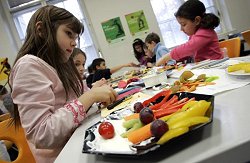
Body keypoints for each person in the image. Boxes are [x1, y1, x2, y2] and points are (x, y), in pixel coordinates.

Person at [9, 5, 117, 163]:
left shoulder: (61, 65)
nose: (74, 43)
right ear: (42, 30)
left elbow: (75, 102)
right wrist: (90, 96)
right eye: (68, 34)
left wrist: (94, 94)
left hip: (83, 143)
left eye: (75, 37)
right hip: (64, 156)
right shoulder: (28, 65)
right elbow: (42, 134)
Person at [156, 0, 223, 66]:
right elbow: (188, 53)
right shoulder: (194, 34)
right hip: (207, 67)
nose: (181, 29)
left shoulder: (206, 32)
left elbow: (189, 48)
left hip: (217, 67)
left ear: (197, 20)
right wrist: (177, 59)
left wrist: (165, 58)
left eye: (183, 24)